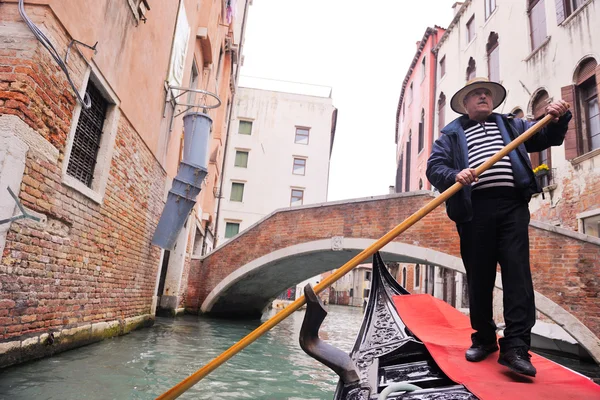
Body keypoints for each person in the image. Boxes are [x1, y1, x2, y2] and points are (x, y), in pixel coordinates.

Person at [426, 77, 570, 377]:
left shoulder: (513, 125)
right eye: (476, 94)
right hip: (473, 211)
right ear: (464, 104)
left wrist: (559, 116)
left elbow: (547, 137)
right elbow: (434, 168)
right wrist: (455, 175)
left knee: (517, 274)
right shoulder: (450, 136)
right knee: (479, 278)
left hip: (512, 207)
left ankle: (516, 346)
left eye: (487, 93)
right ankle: (484, 339)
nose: (483, 96)